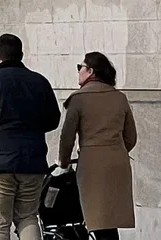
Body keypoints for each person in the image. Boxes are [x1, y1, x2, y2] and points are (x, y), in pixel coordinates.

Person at [0, 33, 61, 240]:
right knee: (28, 216)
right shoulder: (39, 81)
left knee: (0, 224)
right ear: (21, 55)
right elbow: (53, 120)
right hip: (32, 160)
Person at [58, 51, 137, 239]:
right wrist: (115, 150)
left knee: (97, 219)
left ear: (90, 71)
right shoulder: (119, 97)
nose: (78, 71)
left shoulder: (78, 99)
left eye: (80, 67)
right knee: (109, 221)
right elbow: (131, 137)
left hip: (92, 164)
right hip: (118, 162)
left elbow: (67, 137)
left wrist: (64, 162)